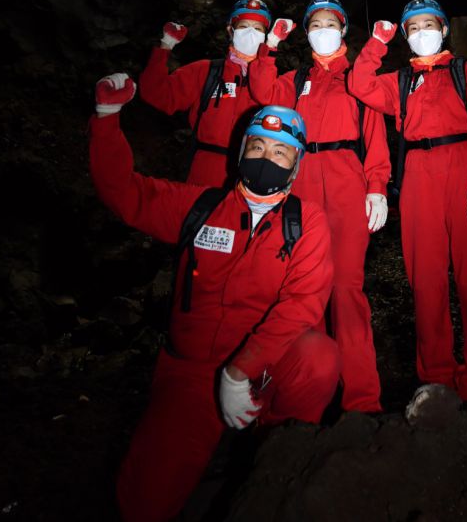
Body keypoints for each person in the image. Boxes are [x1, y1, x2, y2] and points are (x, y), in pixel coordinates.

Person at [90, 77, 340, 522]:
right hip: (192, 370)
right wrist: (108, 120)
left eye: (281, 152)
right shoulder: (200, 207)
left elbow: (303, 302)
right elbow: (125, 195)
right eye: (259, 147)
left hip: (262, 365)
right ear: (241, 152)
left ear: (296, 164)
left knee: (318, 357)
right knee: (145, 500)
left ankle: (275, 446)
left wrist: (240, 371)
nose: (268, 158)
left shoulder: (306, 222)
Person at [347, 0, 467, 410]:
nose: (421, 34)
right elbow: (359, 84)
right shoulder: (400, 81)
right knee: (426, 280)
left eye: (428, 25)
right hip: (418, 172)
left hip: (466, 168)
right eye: (412, 29)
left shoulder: (463, 71)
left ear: (444, 28)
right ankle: (435, 376)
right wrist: (377, 43)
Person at [248, 0, 390, 414]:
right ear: (306, 33)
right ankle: (304, 396)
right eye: (315, 25)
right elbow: (261, 93)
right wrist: (269, 48)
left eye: (331, 24)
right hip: (302, 185)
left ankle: (362, 400)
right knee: (301, 290)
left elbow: (374, 134)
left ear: (344, 29)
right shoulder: (294, 81)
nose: (322, 32)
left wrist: (377, 186)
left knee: (346, 290)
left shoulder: (359, 78)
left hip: (348, 181)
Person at [139, 0, 288, 186]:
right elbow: (156, 93)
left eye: (258, 29)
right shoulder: (206, 71)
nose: (251, 33)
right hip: (203, 173)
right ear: (230, 30)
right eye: (243, 26)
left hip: (252, 177)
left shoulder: (272, 82)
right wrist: (165, 46)